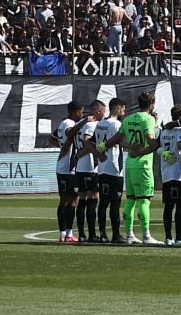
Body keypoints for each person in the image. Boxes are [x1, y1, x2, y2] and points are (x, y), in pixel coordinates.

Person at [119, 91, 161, 244]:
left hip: (129, 164)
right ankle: (146, 236)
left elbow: (119, 140)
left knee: (130, 200)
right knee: (144, 200)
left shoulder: (128, 118)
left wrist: (131, 147)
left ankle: (129, 235)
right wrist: (155, 150)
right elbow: (150, 141)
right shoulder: (149, 119)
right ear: (152, 104)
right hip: (142, 165)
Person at [91, 99, 126, 243]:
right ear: (117, 109)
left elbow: (93, 142)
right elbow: (120, 141)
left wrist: (99, 154)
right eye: (123, 109)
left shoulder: (101, 123)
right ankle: (116, 235)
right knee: (115, 202)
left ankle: (103, 234)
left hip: (102, 167)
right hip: (114, 167)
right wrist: (134, 146)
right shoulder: (116, 124)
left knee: (103, 202)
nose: (124, 112)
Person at [71, 100, 103, 241]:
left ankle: (83, 235)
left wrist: (79, 154)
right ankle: (90, 235)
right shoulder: (91, 125)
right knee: (92, 199)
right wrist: (90, 153)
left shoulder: (82, 124)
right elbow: (86, 141)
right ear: (98, 111)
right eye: (103, 111)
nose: (104, 114)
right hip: (90, 167)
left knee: (83, 199)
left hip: (81, 167)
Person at [53, 100, 84, 243]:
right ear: (76, 112)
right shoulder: (68, 124)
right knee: (71, 201)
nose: (82, 115)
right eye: (81, 112)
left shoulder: (62, 123)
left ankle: (63, 233)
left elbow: (52, 138)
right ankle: (67, 233)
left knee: (65, 200)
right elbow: (70, 133)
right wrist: (83, 123)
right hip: (68, 168)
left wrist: (62, 147)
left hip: (63, 166)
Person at [157, 105, 181, 244]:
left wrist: (161, 152)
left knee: (168, 206)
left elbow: (155, 145)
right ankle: (179, 237)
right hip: (179, 172)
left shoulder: (163, 131)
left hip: (166, 172)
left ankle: (168, 237)